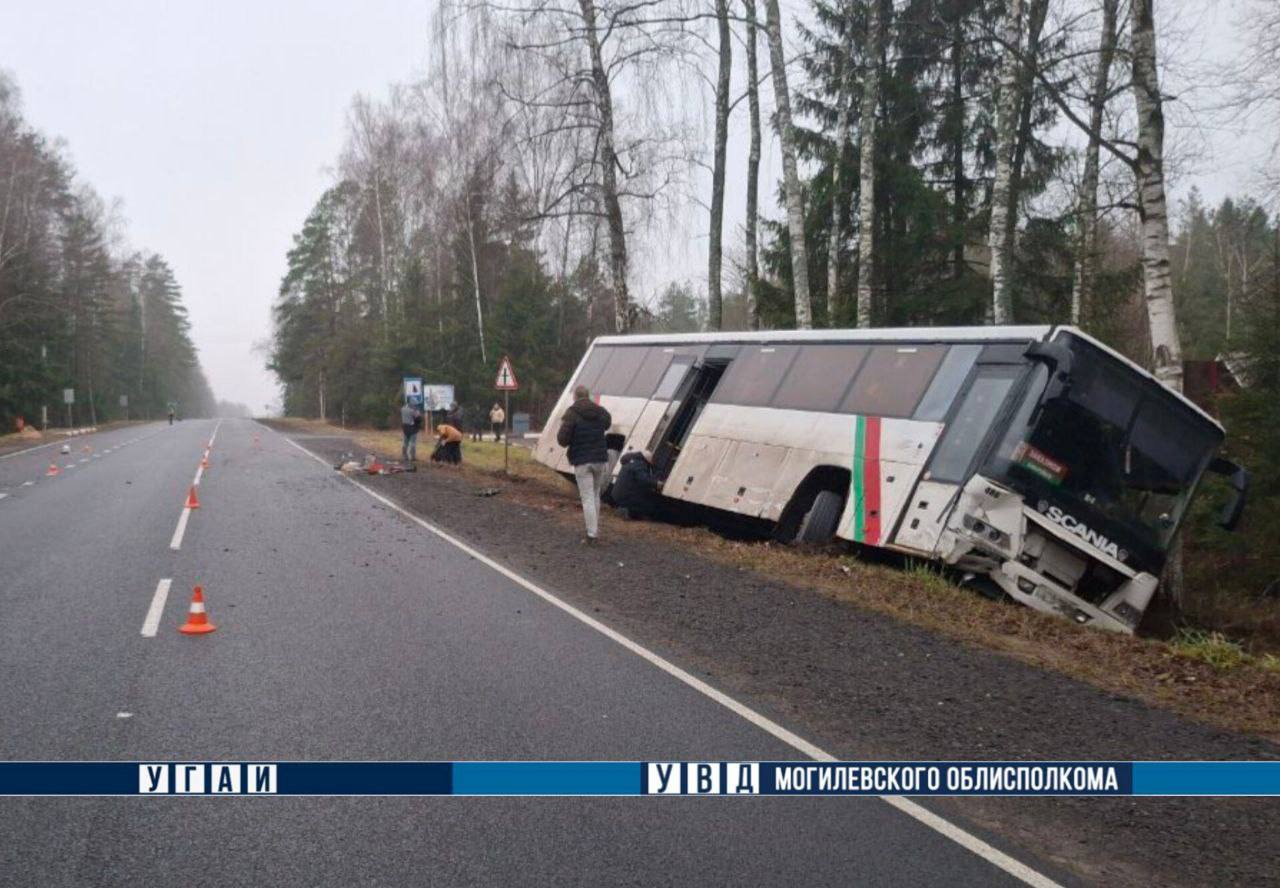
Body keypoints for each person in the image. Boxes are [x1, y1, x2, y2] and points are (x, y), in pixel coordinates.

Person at [557, 385, 612, 542]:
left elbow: (562, 440)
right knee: (595, 494)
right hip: (600, 459)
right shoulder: (601, 411)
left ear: (575, 396)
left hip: (582, 460)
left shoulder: (571, 413)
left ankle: (591, 534)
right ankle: (594, 530)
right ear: (588, 396)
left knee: (587, 496)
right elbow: (607, 424)